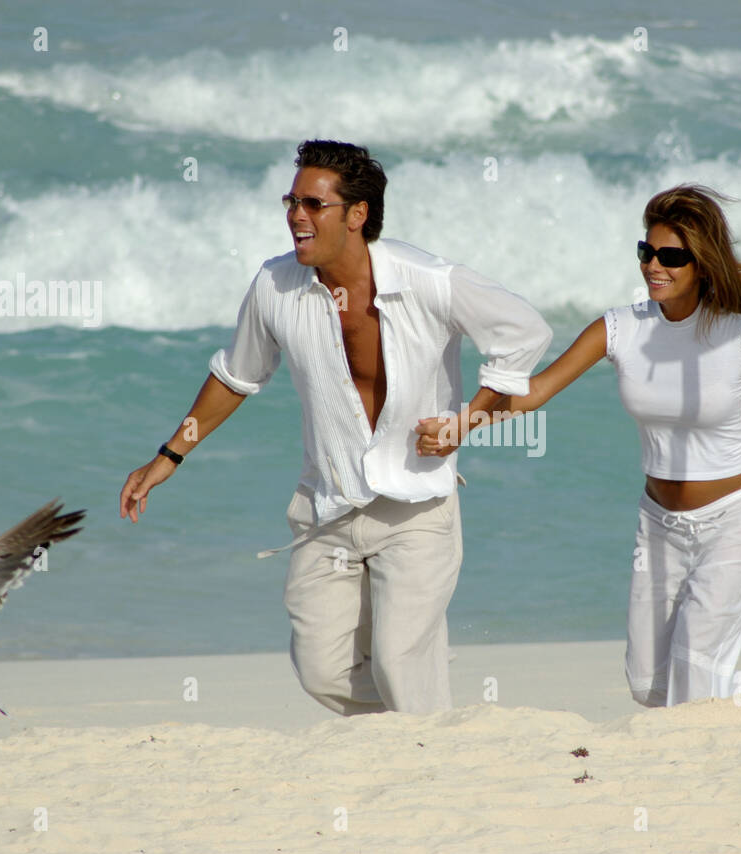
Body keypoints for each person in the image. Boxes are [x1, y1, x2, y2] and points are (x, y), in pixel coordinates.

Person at [120, 140, 552, 716]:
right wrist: (169, 456)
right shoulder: (275, 286)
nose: (296, 215)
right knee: (322, 670)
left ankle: (421, 732)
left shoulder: (426, 279)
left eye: (313, 203)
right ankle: (423, 723)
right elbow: (235, 377)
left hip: (416, 508)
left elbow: (524, 333)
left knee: (400, 663)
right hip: (327, 505)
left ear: (356, 214)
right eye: (291, 200)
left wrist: (465, 421)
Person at [416, 184, 741, 706]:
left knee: (692, 684)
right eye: (647, 251)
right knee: (649, 686)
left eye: (671, 256)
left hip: (736, 519)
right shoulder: (619, 328)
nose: (653, 266)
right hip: (659, 524)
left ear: (702, 264)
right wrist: (462, 424)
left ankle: (728, 732)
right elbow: (534, 393)